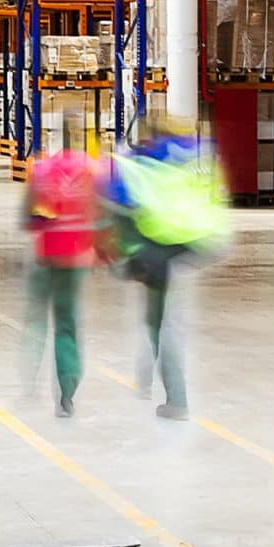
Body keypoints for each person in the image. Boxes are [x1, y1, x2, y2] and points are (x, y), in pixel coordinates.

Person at [109, 113, 232, 420]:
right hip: (198, 241)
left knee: (165, 326)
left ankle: (176, 400)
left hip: (159, 247)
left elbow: (119, 203)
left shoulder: (144, 162)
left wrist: (123, 255)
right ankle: (145, 377)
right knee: (160, 317)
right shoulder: (197, 155)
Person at [21, 145, 107, 417]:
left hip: (47, 256)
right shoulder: (91, 170)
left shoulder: (41, 170)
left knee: (36, 319)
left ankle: (29, 377)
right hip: (75, 259)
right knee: (66, 325)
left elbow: (29, 219)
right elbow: (102, 214)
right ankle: (66, 394)